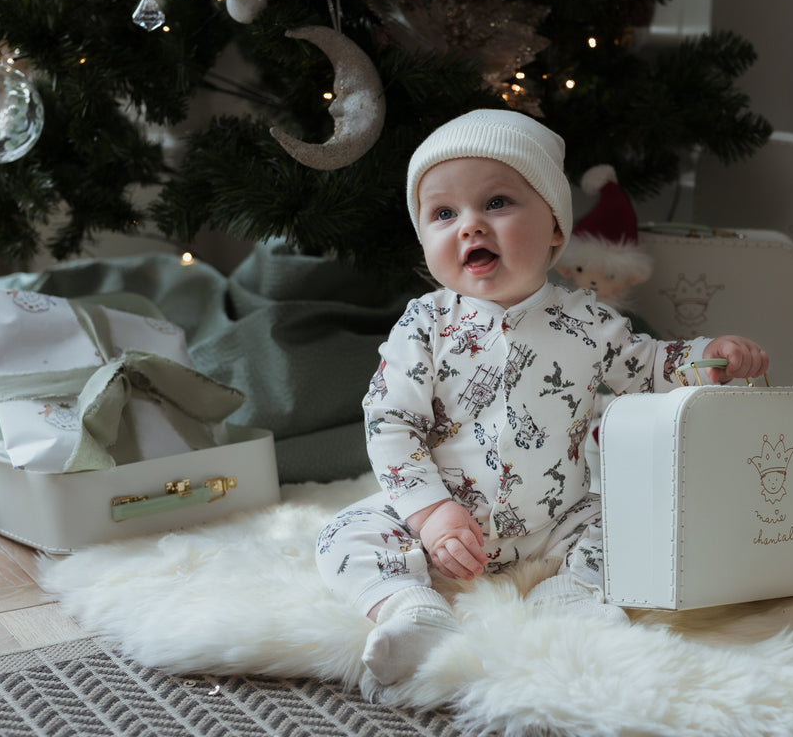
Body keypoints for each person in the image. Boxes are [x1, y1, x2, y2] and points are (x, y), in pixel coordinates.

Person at [314, 109, 769, 686]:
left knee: (634, 526)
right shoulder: (424, 324)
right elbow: (390, 423)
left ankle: (572, 596)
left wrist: (712, 355)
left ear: (556, 227)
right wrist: (430, 515)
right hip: (445, 518)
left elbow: (649, 366)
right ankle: (413, 610)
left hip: (555, 519)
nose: (470, 226)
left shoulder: (588, 322)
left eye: (497, 203)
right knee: (342, 535)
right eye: (444, 213)